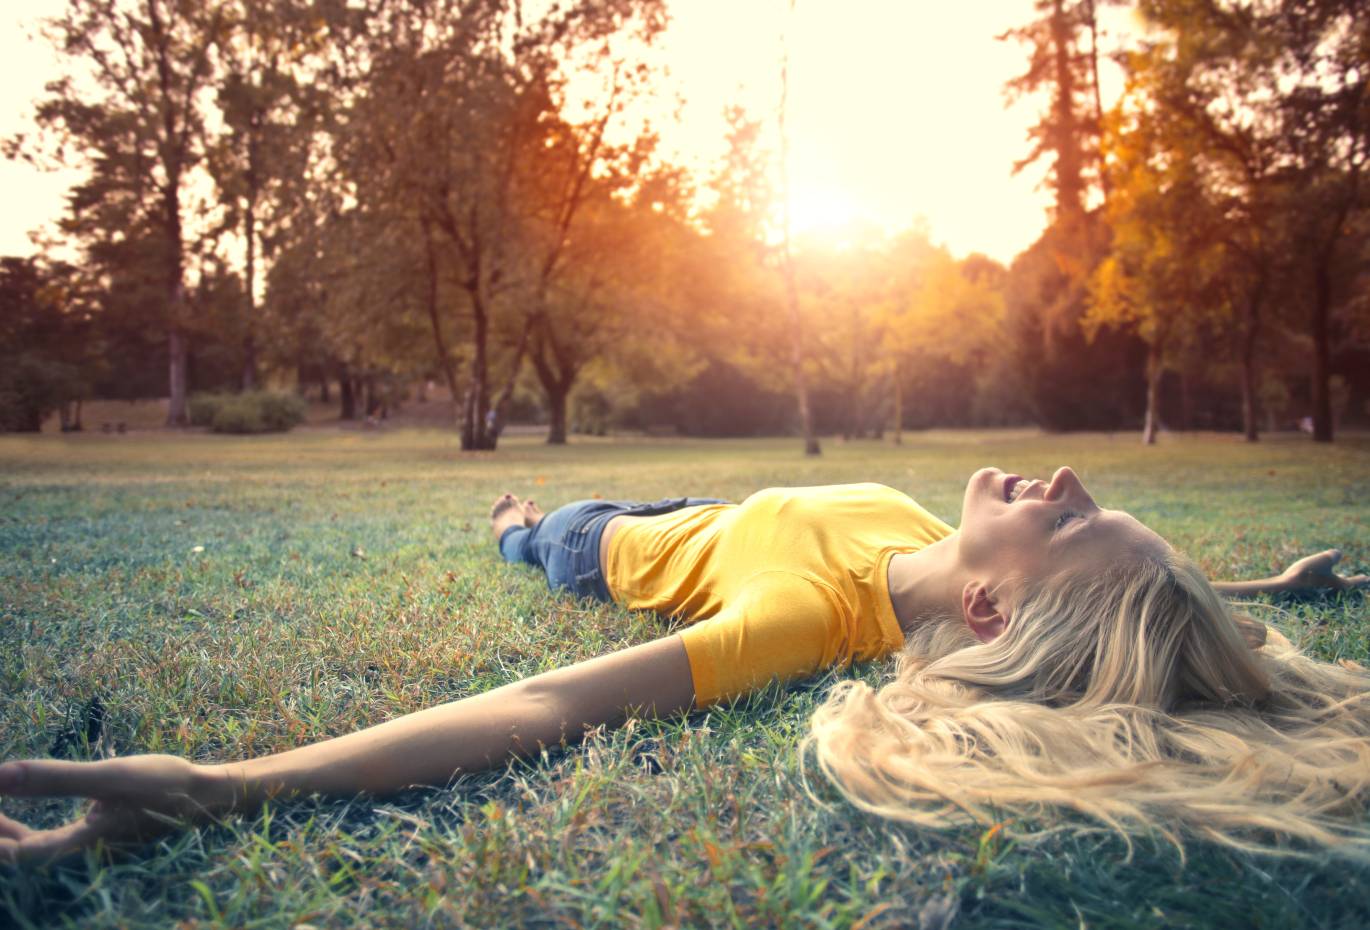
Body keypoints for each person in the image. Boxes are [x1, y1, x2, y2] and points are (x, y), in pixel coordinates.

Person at [1, 468, 1367, 863]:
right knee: (616, 506)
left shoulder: (798, 617)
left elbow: (549, 698)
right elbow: (1118, 616)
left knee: (546, 534)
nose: (1062, 477)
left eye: (1067, 516)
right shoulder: (942, 554)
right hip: (701, 502)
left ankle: (508, 522)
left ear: (991, 608)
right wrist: (1251, 596)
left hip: (623, 547)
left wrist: (225, 779)